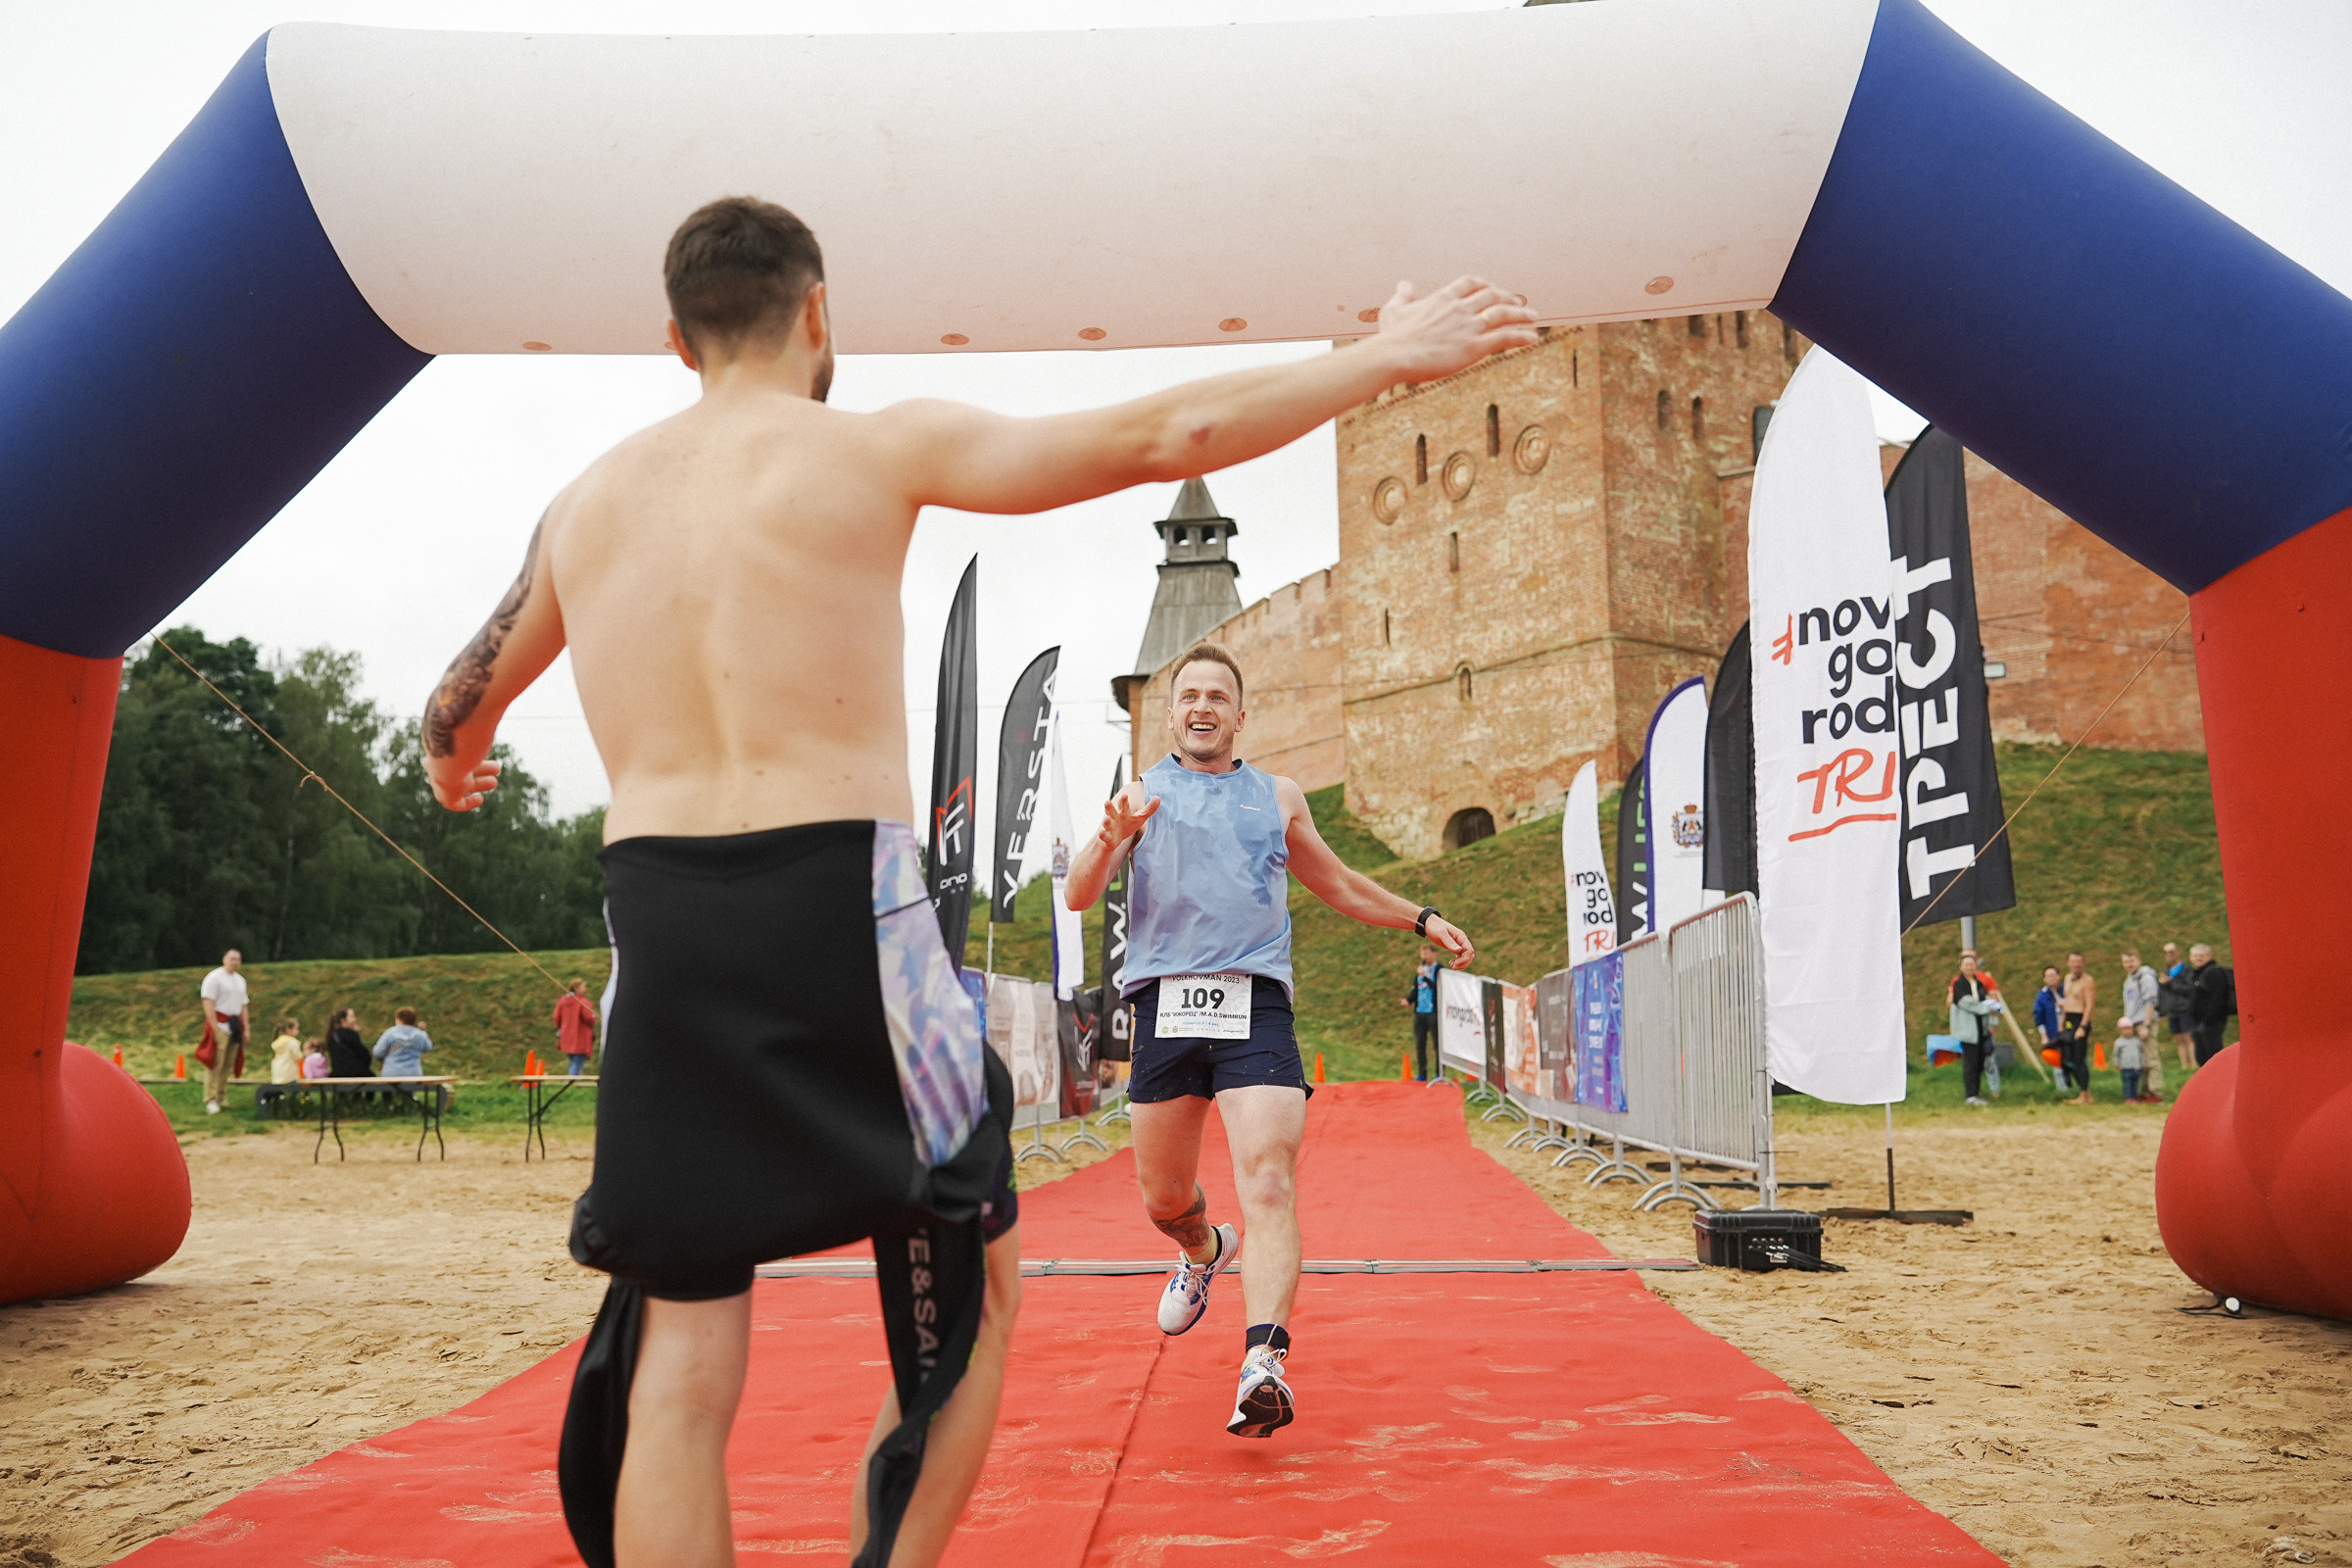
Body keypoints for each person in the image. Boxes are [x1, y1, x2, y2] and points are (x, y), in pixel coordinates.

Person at [414, 193, 1534, 1568]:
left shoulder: (583, 507)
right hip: (850, 914)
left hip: (658, 928)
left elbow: (461, 704)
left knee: (684, 1349)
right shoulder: (874, 448)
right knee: (972, 1284)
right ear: (818, 313)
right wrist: (1383, 357)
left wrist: (452, 760)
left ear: (674, 338)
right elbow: (1158, 440)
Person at [1062, 644, 1477, 1441]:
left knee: (1270, 1180)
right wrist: (1108, 836)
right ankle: (1204, 1248)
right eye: (1190, 695)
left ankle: (1264, 1362)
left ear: (1240, 716)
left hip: (1256, 1009)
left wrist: (1420, 918)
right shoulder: (1142, 795)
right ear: (1173, 712)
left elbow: (1342, 884)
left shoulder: (1277, 796)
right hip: (1168, 1012)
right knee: (1163, 1199)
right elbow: (1082, 892)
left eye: (1219, 695)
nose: (1203, 706)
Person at [197, 948, 250, 1116]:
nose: (235, 962)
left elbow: (243, 1005)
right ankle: (210, 1098)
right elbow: (208, 1002)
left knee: (228, 1063)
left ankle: (221, 1095)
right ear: (224, 959)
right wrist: (214, 1026)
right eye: (232, 958)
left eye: (238, 959)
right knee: (215, 1063)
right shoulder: (214, 978)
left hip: (235, 1024)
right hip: (220, 1023)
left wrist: (246, 1028)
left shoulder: (240, 980)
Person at [1948, 951, 2001, 1106]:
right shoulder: (1959, 984)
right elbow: (1966, 1003)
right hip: (1968, 1030)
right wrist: (1986, 1008)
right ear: (1961, 967)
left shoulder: (1978, 983)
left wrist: (1993, 1008)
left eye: (1972, 964)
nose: (1970, 967)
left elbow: (1985, 999)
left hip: (1981, 1029)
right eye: (1966, 965)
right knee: (1970, 1062)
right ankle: (1970, 1095)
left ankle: (1976, 1092)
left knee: (1980, 1061)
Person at [2119, 949, 2164, 1102]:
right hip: (2133, 1023)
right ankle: (2145, 1091)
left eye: (2131, 961)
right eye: (2125, 961)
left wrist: (2147, 1024)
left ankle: (2155, 1092)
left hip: (2145, 1022)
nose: (2129, 964)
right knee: (2141, 1060)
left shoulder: (2146, 977)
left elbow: (2150, 1001)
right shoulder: (2130, 979)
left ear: (2138, 960)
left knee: (2151, 1058)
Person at [1397, 945, 1442, 1082]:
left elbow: (1439, 988)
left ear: (1434, 954)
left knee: (1437, 1044)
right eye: (1422, 954)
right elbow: (1416, 989)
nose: (1424, 957)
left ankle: (1440, 1074)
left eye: (1426, 954)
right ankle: (1422, 1074)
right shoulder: (1420, 970)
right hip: (1420, 1013)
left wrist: (1426, 977)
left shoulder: (1439, 970)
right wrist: (1408, 1001)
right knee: (1420, 1044)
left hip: (1433, 1012)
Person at [2187, 943, 2236, 1065]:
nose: (2198, 958)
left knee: (2213, 1056)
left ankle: (2221, 1080)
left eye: (2201, 955)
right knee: (2201, 1057)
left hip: (2211, 1022)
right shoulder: (2198, 973)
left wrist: (2208, 1019)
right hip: (2199, 1022)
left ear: (2210, 956)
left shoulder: (2213, 973)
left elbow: (2217, 998)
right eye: (2195, 956)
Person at [2060, 951, 2097, 1104]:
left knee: (2079, 1058)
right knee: (2067, 1057)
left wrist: (2083, 1026)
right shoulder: (2067, 978)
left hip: (2080, 1019)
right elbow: (2067, 1000)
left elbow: (2089, 1005)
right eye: (2073, 962)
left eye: (2078, 962)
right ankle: (2086, 1093)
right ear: (2068, 963)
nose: (2076, 965)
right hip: (2068, 1019)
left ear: (2083, 963)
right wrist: (2062, 1022)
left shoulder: (2087, 981)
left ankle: (2083, 1094)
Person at [2159, 941, 2196, 1072]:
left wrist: (2171, 984)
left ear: (2177, 953)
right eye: (2166, 953)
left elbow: (2190, 988)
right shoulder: (2166, 971)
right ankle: (2184, 1066)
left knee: (2188, 1037)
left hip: (2185, 1008)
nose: (2169, 955)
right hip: (2172, 1009)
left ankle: (2193, 1064)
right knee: (2178, 1038)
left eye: (2171, 952)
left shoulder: (2186, 969)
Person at [554, 979, 600, 1076]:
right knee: (577, 1062)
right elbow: (588, 1018)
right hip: (581, 1037)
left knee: (573, 1061)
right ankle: (571, 1084)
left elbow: (556, 1017)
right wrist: (593, 1018)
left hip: (566, 1037)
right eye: (583, 987)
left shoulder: (562, 1001)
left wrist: (563, 1027)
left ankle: (576, 1084)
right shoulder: (583, 1002)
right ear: (577, 988)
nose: (585, 989)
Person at [373, 1007, 435, 1077]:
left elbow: (378, 1053)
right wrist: (423, 1031)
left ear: (399, 1019)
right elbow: (428, 1048)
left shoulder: (390, 1033)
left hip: (391, 1073)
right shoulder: (420, 1034)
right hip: (413, 1073)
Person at [2034, 965, 2067, 1093]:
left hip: (2068, 1030)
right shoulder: (2042, 996)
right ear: (2044, 979)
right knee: (2057, 1061)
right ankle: (2062, 1090)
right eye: (2048, 976)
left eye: (2053, 975)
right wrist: (2044, 1036)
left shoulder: (2066, 990)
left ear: (2059, 976)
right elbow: (2038, 1016)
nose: (2051, 978)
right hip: (2053, 1033)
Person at [325, 1007, 373, 1079]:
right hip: (355, 1073)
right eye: (352, 1017)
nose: (355, 1019)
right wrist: (356, 1032)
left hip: (337, 1074)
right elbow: (365, 1056)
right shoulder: (350, 1034)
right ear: (343, 1020)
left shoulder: (331, 1035)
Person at [2112, 1017, 2150, 1103]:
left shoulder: (2137, 1041)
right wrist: (2116, 1064)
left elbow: (2141, 1053)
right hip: (2126, 1067)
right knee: (2128, 1083)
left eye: (2129, 1029)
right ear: (2120, 1030)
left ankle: (2135, 1097)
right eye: (2125, 1029)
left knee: (2135, 1083)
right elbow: (2116, 1054)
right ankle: (2129, 1098)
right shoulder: (2119, 1042)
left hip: (2136, 1067)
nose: (2127, 1031)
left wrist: (2143, 1063)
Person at [269, 1018, 305, 1084]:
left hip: (277, 1076)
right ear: (289, 1030)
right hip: (290, 1076)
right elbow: (299, 1057)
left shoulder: (277, 1042)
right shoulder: (293, 1042)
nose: (298, 1031)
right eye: (296, 1028)